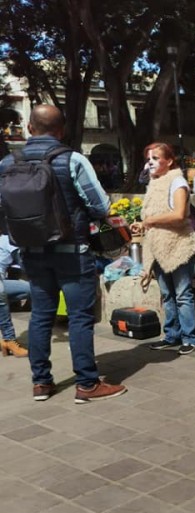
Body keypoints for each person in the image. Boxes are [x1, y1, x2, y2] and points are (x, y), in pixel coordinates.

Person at [0, 104, 126, 403]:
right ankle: (87, 384)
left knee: (40, 315)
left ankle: (41, 383)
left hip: (31, 251)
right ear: (62, 130)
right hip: (72, 251)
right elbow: (100, 206)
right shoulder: (72, 159)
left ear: (30, 128)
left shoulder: (7, 163)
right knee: (79, 317)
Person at [132, 142, 195, 355]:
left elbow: (179, 214)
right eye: (148, 159)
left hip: (179, 246)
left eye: (155, 158)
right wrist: (145, 223)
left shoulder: (177, 182)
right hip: (159, 248)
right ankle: (172, 335)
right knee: (167, 294)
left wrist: (149, 221)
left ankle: (191, 338)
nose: (150, 163)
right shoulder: (154, 183)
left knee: (182, 294)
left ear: (169, 161)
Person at [0, 233, 30, 357]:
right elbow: (23, 263)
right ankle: (9, 340)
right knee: (1, 294)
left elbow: (22, 262)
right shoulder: (6, 239)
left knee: (30, 289)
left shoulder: (5, 240)